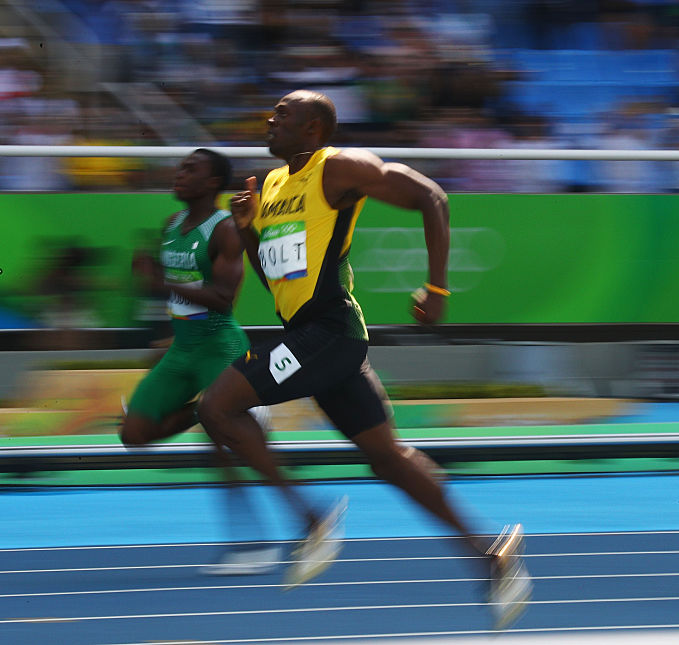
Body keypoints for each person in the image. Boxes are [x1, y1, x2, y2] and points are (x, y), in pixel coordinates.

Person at [196, 90, 532, 627]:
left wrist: (437, 290)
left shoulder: (340, 167)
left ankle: (311, 522)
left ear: (312, 130)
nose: (269, 118)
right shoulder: (275, 185)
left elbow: (432, 197)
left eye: (283, 113)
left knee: (217, 407)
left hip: (330, 332)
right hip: (309, 336)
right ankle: (490, 554)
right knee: (388, 458)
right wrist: (247, 230)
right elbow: (276, 281)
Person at [122, 148, 278, 575]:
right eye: (180, 167)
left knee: (222, 453)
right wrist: (170, 327)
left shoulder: (225, 229)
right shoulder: (170, 226)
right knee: (134, 433)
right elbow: (179, 292)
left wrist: (161, 280)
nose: (179, 173)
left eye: (191, 169)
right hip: (184, 348)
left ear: (212, 183)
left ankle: (253, 545)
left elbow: (223, 300)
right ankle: (204, 410)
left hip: (219, 346)